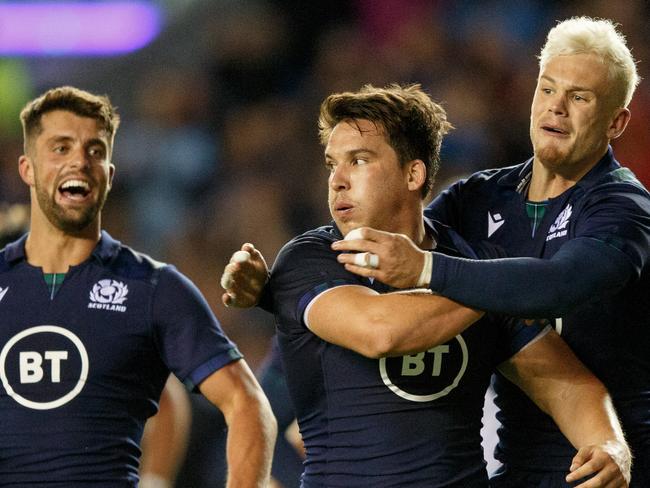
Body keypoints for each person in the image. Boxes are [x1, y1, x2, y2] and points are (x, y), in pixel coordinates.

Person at [221, 83, 630, 486]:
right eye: (332, 164)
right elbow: (381, 331)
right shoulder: (310, 259)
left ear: (413, 173)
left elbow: (565, 383)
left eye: (359, 160)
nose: (337, 180)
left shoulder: (475, 262)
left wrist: (609, 445)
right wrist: (508, 286)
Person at [331, 17, 650, 487]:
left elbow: (557, 286)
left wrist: (427, 268)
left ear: (617, 121)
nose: (556, 108)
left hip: (616, 465)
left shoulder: (624, 207)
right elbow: (385, 260)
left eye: (579, 97)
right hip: (518, 466)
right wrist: (272, 287)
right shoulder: (477, 197)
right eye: (547, 90)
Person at [0, 86, 276, 486]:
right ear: (27, 169)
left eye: (94, 150)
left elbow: (246, 402)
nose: (79, 161)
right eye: (60, 148)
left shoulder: (153, 288)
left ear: (109, 175)